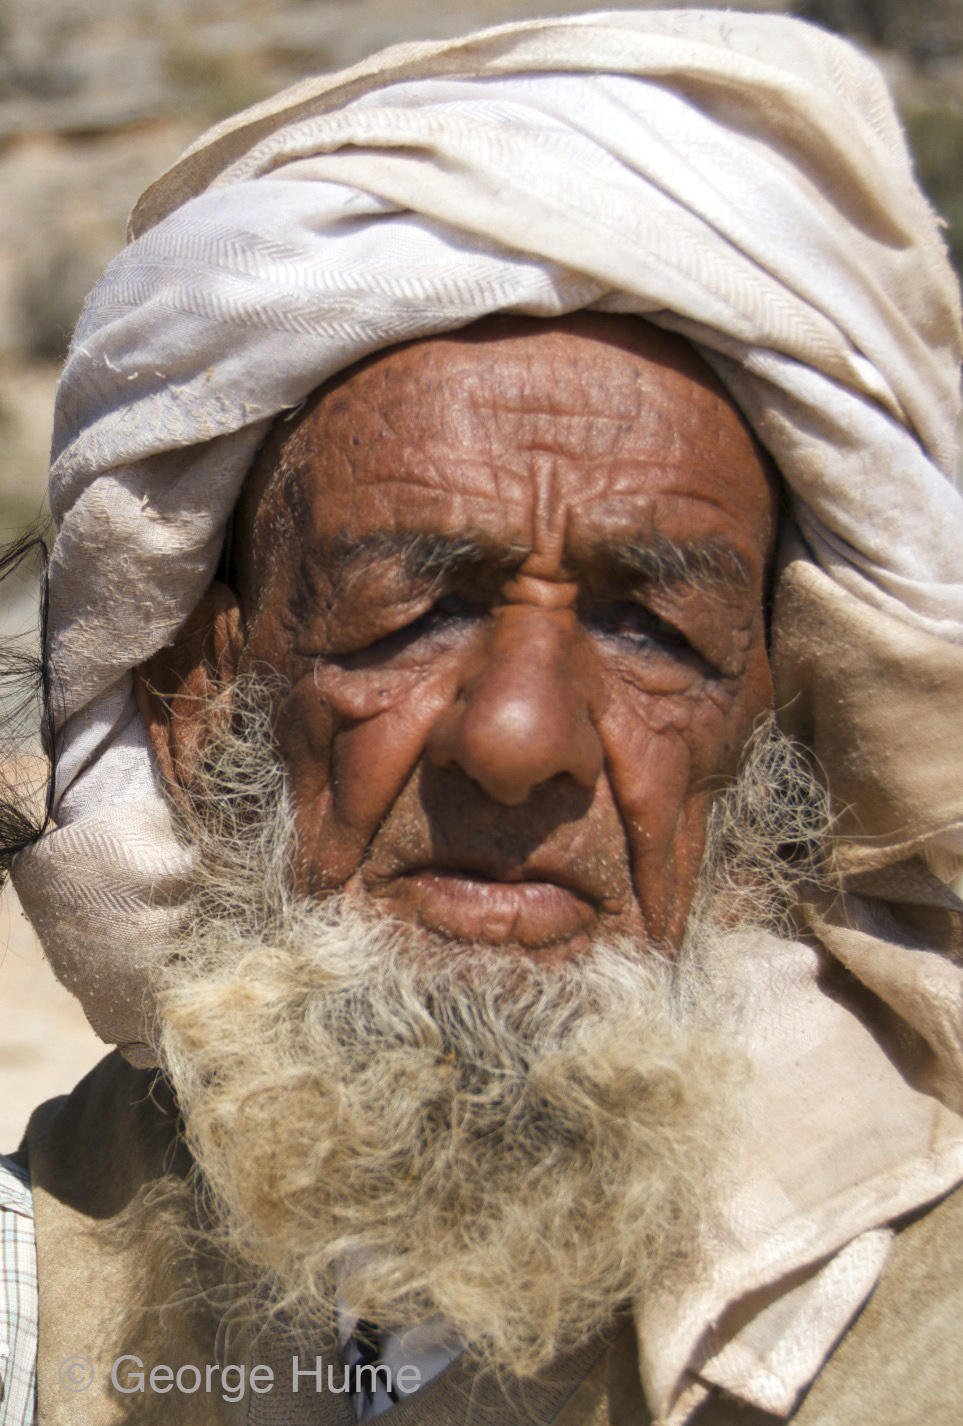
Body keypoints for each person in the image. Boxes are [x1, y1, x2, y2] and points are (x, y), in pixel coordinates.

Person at [2, 9, 962, 1425]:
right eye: (416, 608)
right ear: (205, 710)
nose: (518, 737)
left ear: (768, 751)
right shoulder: (49, 1271)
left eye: (650, 627)